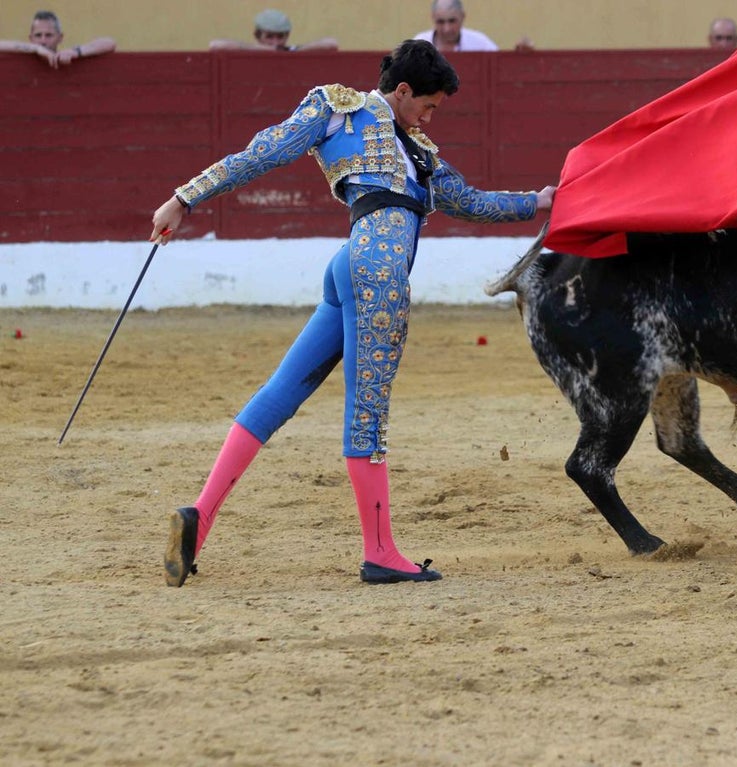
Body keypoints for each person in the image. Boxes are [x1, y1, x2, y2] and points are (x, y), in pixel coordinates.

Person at [151, 39, 556, 587]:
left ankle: (198, 519)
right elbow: (261, 154)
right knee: (367, 411)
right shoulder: (339, 107)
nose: (430, 118)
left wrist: (537, 202)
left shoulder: (416, 149)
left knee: (282, 390)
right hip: (378, 272)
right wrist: (184, 198)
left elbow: (472, 201)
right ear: (403, 90)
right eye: (428, 106)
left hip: (350, 264)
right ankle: (380, 552)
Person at [0, 10, 115, 69]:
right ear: (31, 38)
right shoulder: (25, 55)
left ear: (60, 38)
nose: (43, 41)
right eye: (38, 35)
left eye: (49, 35)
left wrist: (76, 52)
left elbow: (110, 43)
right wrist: (35, 48)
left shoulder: (67, 55)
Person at [209, 8, 338, 52]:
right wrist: (262, 50)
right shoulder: (250, 51)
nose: (275, 42)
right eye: (269, 37)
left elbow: (331, 43)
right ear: (257, 36)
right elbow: (216, 45)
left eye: (280, 37)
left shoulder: (289, 51)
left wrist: (295, 50)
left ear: (286, 36)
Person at [414, 0, 500, 52]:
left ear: (462, 17)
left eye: (452, 21)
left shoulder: (481, 44)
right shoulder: (419, 45)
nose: (447, 29)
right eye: (440, 22)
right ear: (433, 18)